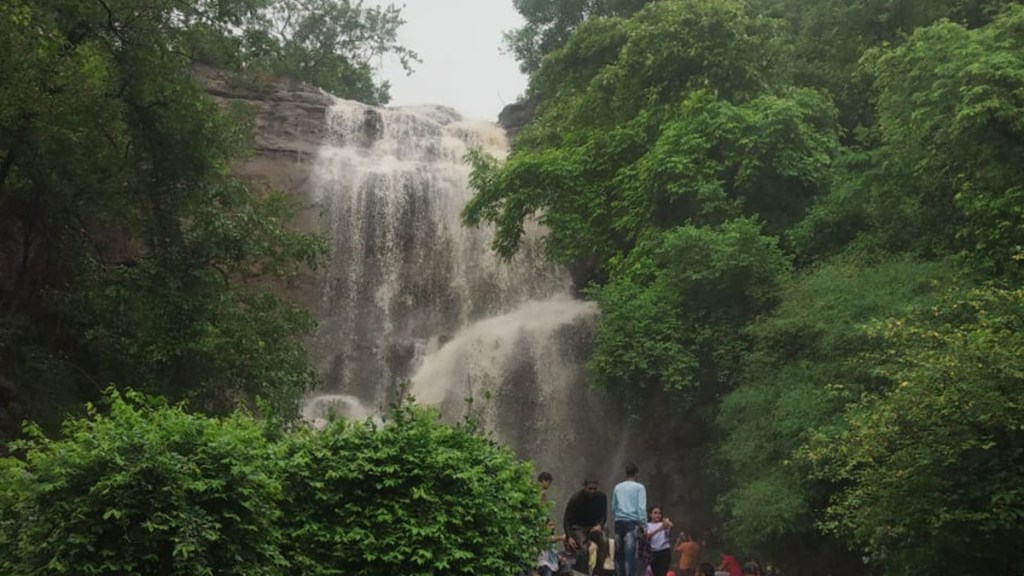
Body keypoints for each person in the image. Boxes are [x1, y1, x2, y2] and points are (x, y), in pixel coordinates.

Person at [563, 476, 610, 576]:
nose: (592, 491)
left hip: (593, 526)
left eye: (594, 489)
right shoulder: (576, 498)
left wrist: (600, 525)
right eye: (590, 489)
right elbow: (567, 519)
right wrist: (569, 536)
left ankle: (597, 572)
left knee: (604, 543)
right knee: (583, 549)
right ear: (584, 486)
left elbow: (604, 515)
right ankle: (583, 573)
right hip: (578, 527)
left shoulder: (602, 497)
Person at [612, 461, 647, 576]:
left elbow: (613, 506)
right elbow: (641, 508)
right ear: (637, 473)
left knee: (618, 554)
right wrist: (644, 526)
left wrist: (617, 517)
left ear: (626, 473)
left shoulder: (618, 487)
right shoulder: (639, 488)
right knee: (629, 554)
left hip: (619, 522)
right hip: (631, 523)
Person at [643, 506, 673, 576]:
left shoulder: (664, 523)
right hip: (653, 553)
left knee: (662, 573)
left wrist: (666, 523)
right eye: (655, 513)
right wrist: (660, 529)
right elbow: (646, 537)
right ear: (650, 514)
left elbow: (670, 526)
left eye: (659, 513)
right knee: (656, 573)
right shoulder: (647, 525)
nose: (657, 515)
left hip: (664, 551)